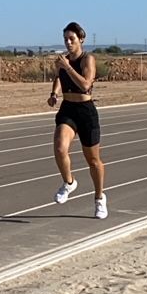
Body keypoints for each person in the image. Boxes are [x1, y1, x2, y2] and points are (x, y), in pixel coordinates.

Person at [46, 23, 107, 219]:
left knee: (93, 161)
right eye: (65, 39)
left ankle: (99, 198)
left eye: (71, 39)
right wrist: (54, 93)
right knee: (60, 148)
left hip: (85, 111)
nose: (68, 42)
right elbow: (58, 77)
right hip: (68, 110)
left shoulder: (87, 59)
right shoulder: (63, 61)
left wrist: (67, 66)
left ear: (81, 39)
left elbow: (85, 84)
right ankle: (69, 182)